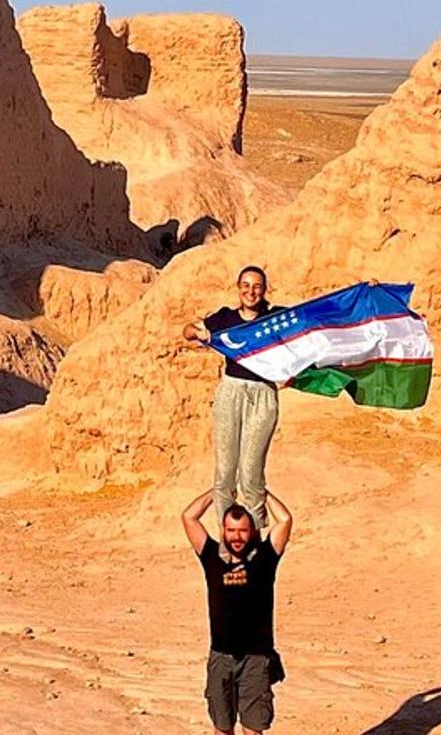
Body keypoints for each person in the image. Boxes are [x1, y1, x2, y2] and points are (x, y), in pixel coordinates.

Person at [182, 488, 293, 735]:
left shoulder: (264, 558)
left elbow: (284, 520)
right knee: (222, 728)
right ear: (223, 531)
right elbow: (189, 516)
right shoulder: (211, 556)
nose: (237, 536)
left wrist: (259, 490)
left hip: (256, 658)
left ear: (252, 530)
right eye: (231, 530)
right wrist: (220, 489)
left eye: (243, 530)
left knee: (252, 730)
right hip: (220, 657)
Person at [182, 266, 285, 529]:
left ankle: (252, 541)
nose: (251, 292)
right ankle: (228, 541)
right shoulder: (225, 318)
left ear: (264, 290)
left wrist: (365, 294)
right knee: (225, 473)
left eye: (257, 286)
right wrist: (199, 331)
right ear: (238, 288)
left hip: (262, 396)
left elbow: (315, 319)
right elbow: (187, 331)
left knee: (251, 474)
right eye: (246, 286)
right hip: (231, 392)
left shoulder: (274, 318)